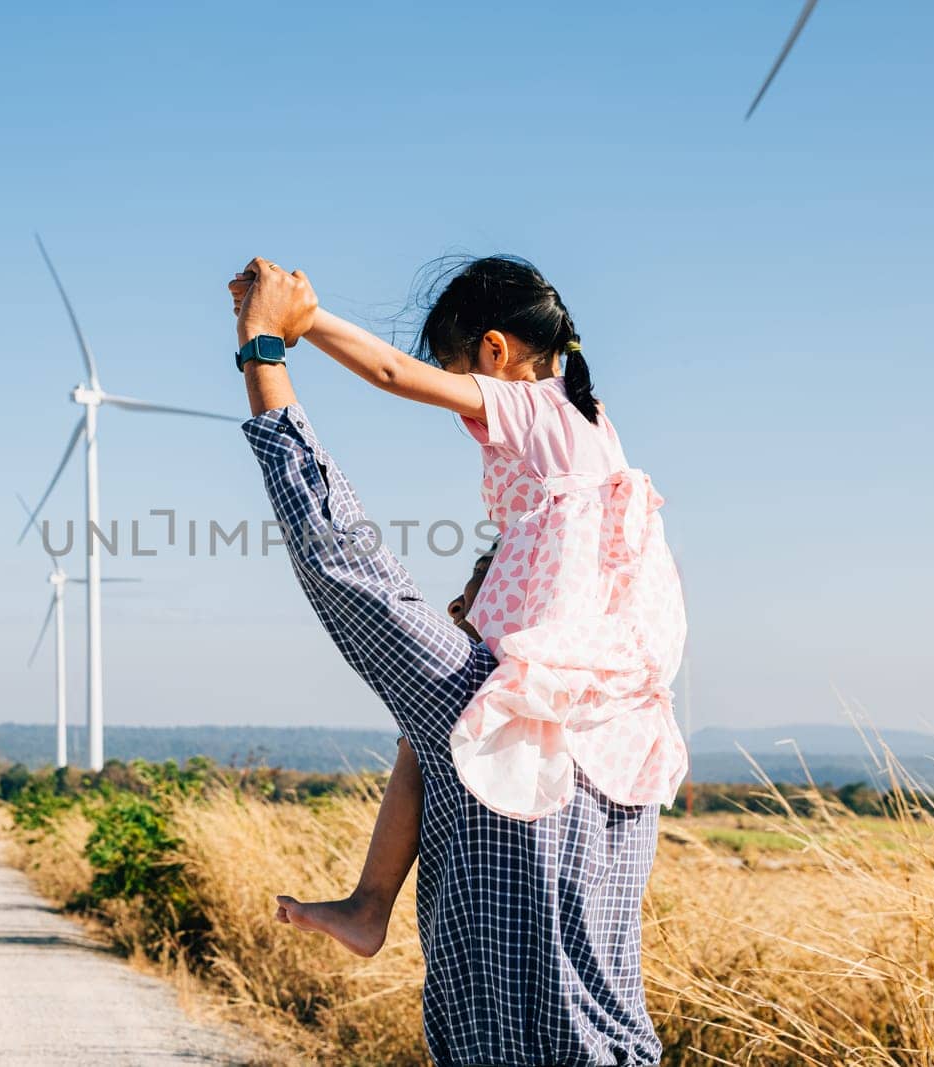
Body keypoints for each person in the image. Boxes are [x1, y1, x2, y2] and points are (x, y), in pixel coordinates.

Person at [227, 257, 678, 1066]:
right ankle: (370, 902)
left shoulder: (532, 404)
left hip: (545, 674)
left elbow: (392, 377)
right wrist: (488, 581)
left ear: (496, 350)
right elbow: (566, 547)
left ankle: (370, 904)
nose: (453, 387)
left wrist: (291, 327)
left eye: (455, 362)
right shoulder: (592, 420)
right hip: (587, 685)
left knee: (426, 698)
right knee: (425, 734)